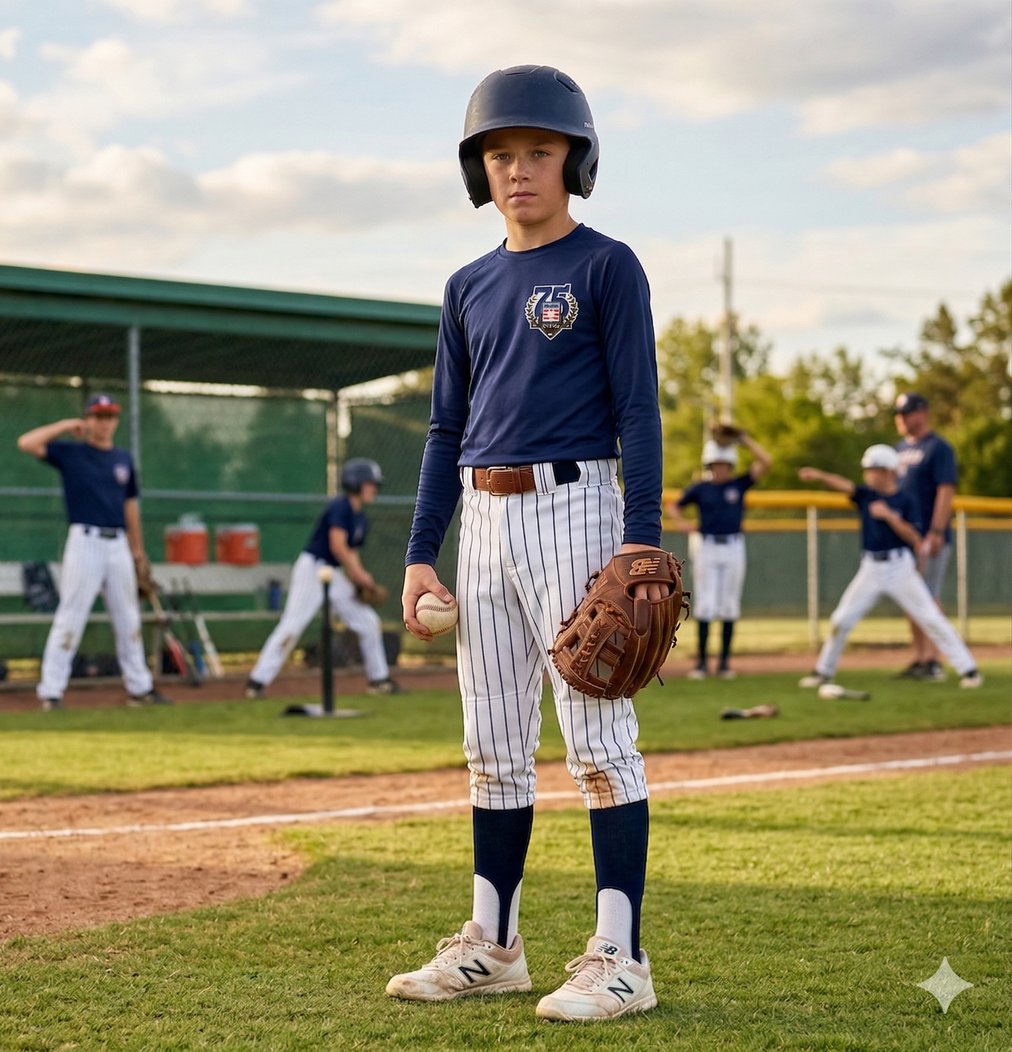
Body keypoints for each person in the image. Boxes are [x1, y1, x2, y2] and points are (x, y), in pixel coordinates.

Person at [394, 65, 666, 1021]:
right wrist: (422, 552)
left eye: (538, 152)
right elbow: (442, 429)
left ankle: (620, 958)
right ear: (480, 170)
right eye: (499, 154)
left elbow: (637, 409)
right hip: (483, 517)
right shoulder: (466, 284)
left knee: (597, 737)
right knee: (493, 744)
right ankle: (494, 945)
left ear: (572, 161)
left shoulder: (605, 265)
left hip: (577, 506)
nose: (517, 170)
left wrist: (640, 548)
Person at [16, 393, 170, 709]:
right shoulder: (72, 453)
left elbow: (130, 507)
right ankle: (51, 691)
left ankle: (140, 689)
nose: (104, 422)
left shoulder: (123, 459)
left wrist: (137, 553)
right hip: (85, 541)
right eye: (98, 416)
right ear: (87, 419)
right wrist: (62, 426)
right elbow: (26, 443)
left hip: (118, 546)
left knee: (128, 618)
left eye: (110, 416)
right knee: (72, 615)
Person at [796, 444, 980, 690]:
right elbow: (843, 484)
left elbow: (914, 538)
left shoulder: (905, 500)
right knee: (841, 619)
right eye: (868, 469)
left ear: (889, 471)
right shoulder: (866, 495)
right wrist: (819, 475)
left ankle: (969, 670)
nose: (869, 474)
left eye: (874, 469)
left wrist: (890, 517)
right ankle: (822, 671)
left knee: (931, 618)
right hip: (871, 567)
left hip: (900, 567)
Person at [244, 458, 402, 698]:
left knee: (368, 622)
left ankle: (379, 680)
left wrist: (361, 580)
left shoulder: (361, 518)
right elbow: (337, 546)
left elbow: (351, 553)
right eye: (370, 483)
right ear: (355, 483)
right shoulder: (340, 506)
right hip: (313, 570)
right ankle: (256, 683)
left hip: (333, 574)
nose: (374, 489)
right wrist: (360, 576)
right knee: (293, 626)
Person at [667, 430, 772, 679]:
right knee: (706, 603)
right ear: (709, 465)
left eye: (724, 464)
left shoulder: (739, 484)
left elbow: (766, 462)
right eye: (716, 465)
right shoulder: (701, 488)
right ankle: (702, 664)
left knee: (728, 604)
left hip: (734, 545)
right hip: (707, 546)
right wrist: (682, 524)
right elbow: (673, 505)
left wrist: (744, 439)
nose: (720, 469)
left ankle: (724, 664)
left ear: (731, 465)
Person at [892, 392, 959, 681]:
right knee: (911, 598)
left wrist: (937, 530)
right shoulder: (898, 449)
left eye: (907, 412)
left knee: (928, 596)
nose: (902, 418)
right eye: (899, 413)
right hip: (906, 537)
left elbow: (946, 490)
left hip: (929, 534)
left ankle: (934, 660)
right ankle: (920, 658)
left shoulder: (938, 447)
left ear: (923, 412)